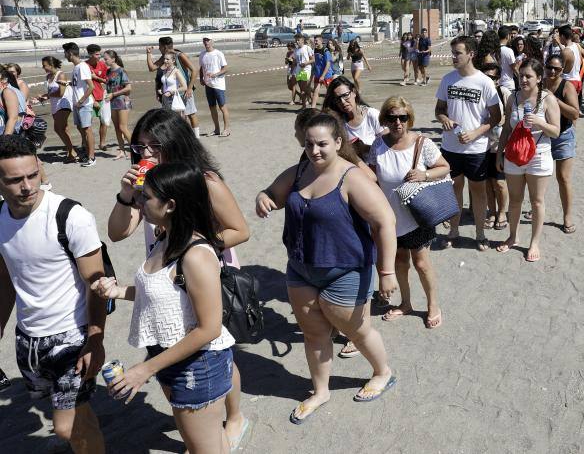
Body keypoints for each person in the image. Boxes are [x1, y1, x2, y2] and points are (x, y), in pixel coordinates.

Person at [107, 109, 249, 447]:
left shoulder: (204, 180)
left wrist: (190, 246)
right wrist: (127, 194)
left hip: (200, 269)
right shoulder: (146, 188)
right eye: (139, 146)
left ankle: (234, 417)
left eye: (154, 146)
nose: (145, 154)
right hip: (163, 271)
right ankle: (208, 425)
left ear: (175, 143)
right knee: (193, 349)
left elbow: (240, 230)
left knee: (216, 348)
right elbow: (117, 233)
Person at [255, 113, 399, 424]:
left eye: (322, 144)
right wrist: (263, 198)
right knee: (313, 333)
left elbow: (385, 221)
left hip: (345, 271)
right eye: (309, 144)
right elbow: (271, 193)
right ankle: (321, 391)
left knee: (357, 331)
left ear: (338, 142)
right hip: (300, 269)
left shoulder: (352, 178)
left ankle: (382, 372)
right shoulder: (300, 171)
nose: (315, 150)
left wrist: (386, 272)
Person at [0, 135, 107, 454]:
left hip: (70, 338)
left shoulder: (70, 216)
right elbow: (5, 280)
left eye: (32, 175)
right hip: (29, 340)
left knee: (66, 425)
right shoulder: (0, 220)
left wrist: (95, 339)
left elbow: (97, 283)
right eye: (15, 180)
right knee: (79, 420)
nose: (27, 186)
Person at [368, 97, 448, 329]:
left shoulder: (422, 142)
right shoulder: (378, 145)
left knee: (422, 263)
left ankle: (433, 305)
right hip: (389, 218)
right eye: (392, 118)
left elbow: (445, 167)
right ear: (385, 119)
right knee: (400, 262)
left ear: (409, 119)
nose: (397, 123)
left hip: (417, 214)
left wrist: (426, 175)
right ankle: (406, 303)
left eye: (402, 118)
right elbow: (371, 177)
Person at [434, 36, 502, 251]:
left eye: (458, 53)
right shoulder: (447, 79)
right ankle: (453, 231)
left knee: (478, 192)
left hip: (476, 148)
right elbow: (439, 110)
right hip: (450, 147)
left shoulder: (484, 82)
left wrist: (476, 132)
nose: (453, 57)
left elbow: (496, 116)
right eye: (453, 52)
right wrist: (443, 119)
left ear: (471, 54)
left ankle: (480, 234)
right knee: (454, 190)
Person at [495, 59, 561, 262]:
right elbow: (507, 128)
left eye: (528, 76)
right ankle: (512, 237)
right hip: (514, 155)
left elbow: (556, 131)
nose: (523, 79)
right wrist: (499, 153)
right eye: (521, 75)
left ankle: (534, 243)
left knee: (537, 201)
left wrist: (540, 122)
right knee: (515, 200)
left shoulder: (548, 99)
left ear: (539, 78)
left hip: (539, 155)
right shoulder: (512, 98)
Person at [543, 54, 580, 234]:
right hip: (543, 136)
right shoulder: (539, 83)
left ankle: (567, 215)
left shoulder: (567, 86)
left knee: (563, 178)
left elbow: (574, 114)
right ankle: (537, 208)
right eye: (549, 67)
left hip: (563, 136)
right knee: (539, 176)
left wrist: (554, 100)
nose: (552, 71)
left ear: (562, 70)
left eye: (556, 69)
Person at [146, 37, 200, 137]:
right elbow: (152, 68)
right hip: (171, 93)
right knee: (179, 117)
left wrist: (189, 88)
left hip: (184, 91)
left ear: (164, 46)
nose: (158, 48)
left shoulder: (179, 55)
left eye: (160, 46)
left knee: (190, 114)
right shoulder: (164, 57)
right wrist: (148, 53)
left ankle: (196, 138)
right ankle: (185, 136)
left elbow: (194, 70)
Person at [322, 76, 383, 160]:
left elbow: (389, 145)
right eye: (337, 99)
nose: (343, 102)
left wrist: (365, 148)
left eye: (345, 95)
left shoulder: (372, 115)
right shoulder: (337, 122)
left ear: (354, 92)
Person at [480, 62, 509, 231]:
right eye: (486, 77)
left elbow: (512, 115)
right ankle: (492, 212)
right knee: (487, 183)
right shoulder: (478, 93)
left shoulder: (503, 93)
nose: (489, 80)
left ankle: (502, 212)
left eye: (492, 77)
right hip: (481, 145)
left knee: (500, 183)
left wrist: (502, 119)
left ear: (498, 80)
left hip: (500, 146)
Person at [37, 56, 77, 162]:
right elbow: (52, 92)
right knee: (64, 129)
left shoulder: (61, 75)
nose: (43, 67)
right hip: (55, 105)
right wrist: (44, 96)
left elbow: (61, 93)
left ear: (51, 65)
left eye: (44, 65)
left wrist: (48, 96)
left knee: (58, 128)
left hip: (63, 103)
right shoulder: (48, 76)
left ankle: (72, 152)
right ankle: (70, 151)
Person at [63, 42, 96, 167]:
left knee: (87, 130)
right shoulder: (76, 67)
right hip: (77, 104)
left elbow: (91, 86)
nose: (65, 55)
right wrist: (68, 83)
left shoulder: (82, 66)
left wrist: (81, 101)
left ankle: (92, 157)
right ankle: (87, 153)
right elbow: (79, 85)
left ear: (70, 53)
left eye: (65, 53)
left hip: (83, 104)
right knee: (81, 129)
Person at [103, 50, 132, 161]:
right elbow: (109, 85)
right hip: (112, 102)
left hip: (122, 101)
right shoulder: (108, 71)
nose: (104, 61)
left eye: (106, 59)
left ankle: (136, 150)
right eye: (104, 58)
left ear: (113, 59)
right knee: (117, 128)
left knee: (123, 127)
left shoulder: (121, 71)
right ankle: (122, 151)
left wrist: (113, 94)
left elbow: (128, 88)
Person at [199, 37, 231, 137]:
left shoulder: (218, 53)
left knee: (222, 107)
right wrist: (201, 78)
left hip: (218, 84)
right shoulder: (202, 54)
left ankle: (226, 129)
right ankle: (216, 129)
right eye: (204, 40)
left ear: (212, 42)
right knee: (212, 107)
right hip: (208, 85)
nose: (206, 42)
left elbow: (226, 68)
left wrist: (216, 74)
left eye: (208, 40)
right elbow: (201, 68)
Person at [86, 45, 110, 150]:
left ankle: (102, 143)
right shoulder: (84, 66)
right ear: (90, 54)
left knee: (104, 121)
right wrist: (92, 99)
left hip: (101, 96)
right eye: (97, 54)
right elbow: (84, 85)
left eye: (99, 53)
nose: (99, 56)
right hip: (88, 98)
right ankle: (85, 144)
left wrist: (95, 77)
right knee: (87, 124)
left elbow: (107, 80)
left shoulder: (102, 65)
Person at [310, 36, 334, 109]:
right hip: (318, 74)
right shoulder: (315, 50)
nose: (315, 42)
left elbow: (328, 64)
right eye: (315, 41)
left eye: (316, 41)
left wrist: (323, 76)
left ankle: (334, 107)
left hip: (326, 75)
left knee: (330, 92)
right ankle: (312, 108)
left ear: (321, 41)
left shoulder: (325, 51)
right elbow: (316, 62)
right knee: (315, 92)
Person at [293, 34, 314, 108]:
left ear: (302, 40)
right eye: (296, 40)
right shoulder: (296, 50)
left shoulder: (307, 48)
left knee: (304, 88)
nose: (296, 41)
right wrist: (292, 72)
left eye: (298, 40)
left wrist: (305, 63)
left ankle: (311, 103)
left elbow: (313, 59)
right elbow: (295, 62)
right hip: (299, 70)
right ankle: (304, 105)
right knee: (302, 88)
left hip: (306, 69)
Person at [497, 26, 517, 92]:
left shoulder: (494, 49)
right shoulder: (508, 50)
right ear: (507, 36)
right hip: (508, 84)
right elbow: (514, 67)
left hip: (497, 83)